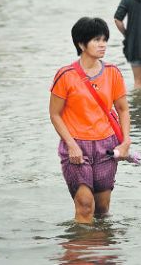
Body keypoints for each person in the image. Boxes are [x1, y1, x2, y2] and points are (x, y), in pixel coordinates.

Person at [49, 17, 131, 223]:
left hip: (107, 146)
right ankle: (82, 252)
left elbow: (122, 108)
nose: (102, 44)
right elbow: (55, 114)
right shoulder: (65, 75)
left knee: (102, 209)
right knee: (85, 205)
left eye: (104, 39)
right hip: (76, 146)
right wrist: (71, 145)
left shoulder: (113, 73)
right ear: (81, 44)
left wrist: (126, 140)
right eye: (96, 40)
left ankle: (101, 251)